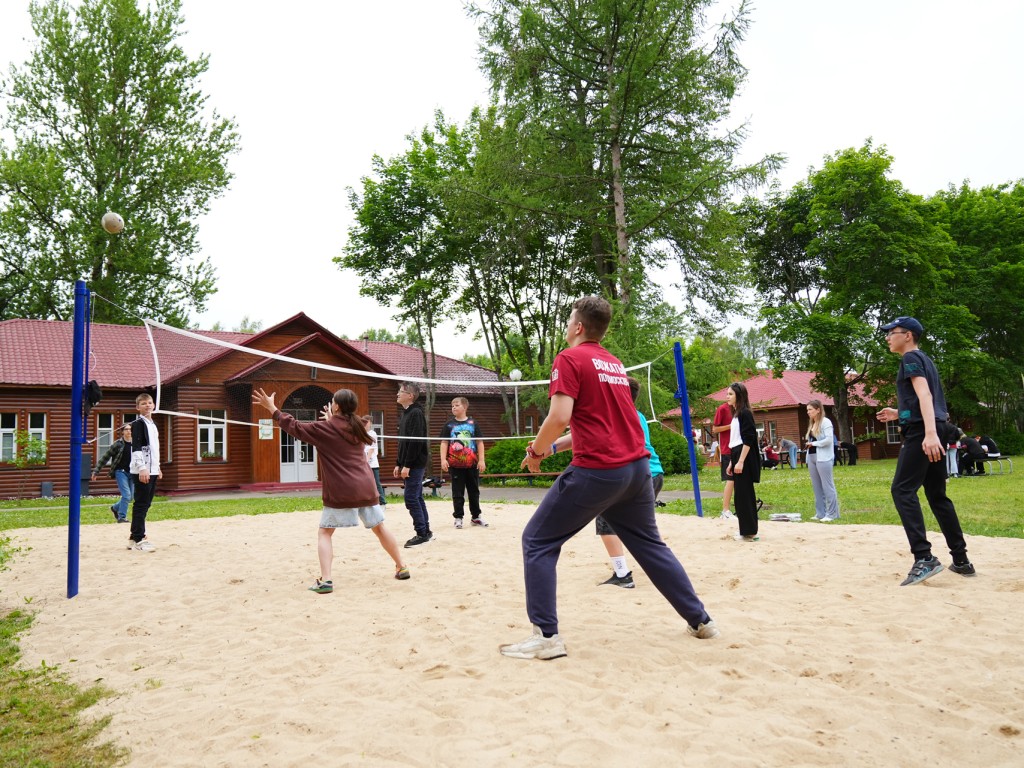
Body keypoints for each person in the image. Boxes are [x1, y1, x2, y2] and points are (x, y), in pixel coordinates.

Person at [499, 296, 719, 660]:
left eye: (570, 319)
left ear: (578, 327)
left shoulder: (569, 358)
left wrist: (536, 452)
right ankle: (701, 621)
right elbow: (602, 425)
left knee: (537, 541)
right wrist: (552, 449)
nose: (567, 324)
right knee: (650, 546)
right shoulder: (613, 363)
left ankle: (546, 638)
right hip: (636, 470)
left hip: (600, 471)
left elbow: (558, 417)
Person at [253, 387, 410, 590]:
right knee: (379, 528)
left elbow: (294, 426)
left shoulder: (325, 429)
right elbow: (340, 429)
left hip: (341, 489)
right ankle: (402, 566)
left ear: (335, 406)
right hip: (365, 485)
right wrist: (331, 420)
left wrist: (272, 408)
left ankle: (326, 580)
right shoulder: (360, 426)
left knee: (325, 533)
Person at [876, 316, 975, 585]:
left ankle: (924, 557)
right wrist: (899, 413)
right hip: (935, 426)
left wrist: (929, 434)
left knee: (902, 490)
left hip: (924, 432)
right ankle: (961, 559)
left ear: (907, 335)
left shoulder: (909, 359)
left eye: (891, 332)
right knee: (936, 494)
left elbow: (926, 396)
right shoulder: (925, 359)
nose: (887, 337)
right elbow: (925, 399)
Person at [592, 376, 666, 589]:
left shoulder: (615, 415)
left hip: (636, 475)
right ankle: (660, 569)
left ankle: (622, 574)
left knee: (606, 521)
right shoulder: (639, 415)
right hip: (655, 473)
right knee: (642, 528)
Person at [439, 396, 488, 528]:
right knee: (457, 492)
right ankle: (458, 517)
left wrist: (482, 460)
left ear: (465, 407)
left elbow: (479, 442)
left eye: (456, 405)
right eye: (452, 405)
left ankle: (476, 517)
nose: (453, 407)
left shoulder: (473, 424)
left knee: (474, 491)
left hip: (472, 464)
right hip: (455, 465)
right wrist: (443, 459)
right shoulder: (449, 425)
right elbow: (444, 443)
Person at [394, 381, 433, 547]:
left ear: (410, 396)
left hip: (415, 464)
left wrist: (407, 465)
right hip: (408, 463)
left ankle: (421, 533)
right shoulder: (406, 413)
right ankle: (426, 531)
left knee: (411, 498)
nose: (397, 394)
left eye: (401, 392)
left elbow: (415, 443)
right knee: (416, 496)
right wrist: (398, 463)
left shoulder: (416, 413)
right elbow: (403, 443)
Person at [725, 382, 761, 541]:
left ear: (739, 395)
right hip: (737, 453)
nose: (727, 397)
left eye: (731, 394)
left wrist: (740, 461)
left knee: (745, 495)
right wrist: (732, 462)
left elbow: (748, 439)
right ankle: (745, 530)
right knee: (740, 496)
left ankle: (750, 532)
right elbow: (735, 440)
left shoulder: (745, 413)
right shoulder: (736, 414)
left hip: (743, 455)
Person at [128, 393, 161, 552]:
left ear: (154, 405)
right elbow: (137, 448)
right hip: (142, 470)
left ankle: (134, 537)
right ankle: (139, 538)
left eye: (149, 402)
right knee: (141, 503)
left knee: (146, 503)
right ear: (138, 407)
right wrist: (142, 468)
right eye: (143, 403)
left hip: (152, 469)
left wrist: (157, 467)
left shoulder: (152, 424)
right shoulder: (139, 424)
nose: (147, 405)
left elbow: (154, 449)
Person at [805, 399, 840, 522]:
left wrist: (814, 443)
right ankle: (820, 513)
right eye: (807, 410)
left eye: (810, 410)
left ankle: (832, 514)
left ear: (818, 410)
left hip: (824, 458)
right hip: (812, 457)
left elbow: (829, 440)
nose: (808, 412)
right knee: (817, 487)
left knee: (827, 486)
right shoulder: (812, 423)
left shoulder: (826, 422)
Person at [92, 423, 133, 523]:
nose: (129, 431)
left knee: (131, 497)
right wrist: (96, 471)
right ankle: (122, 517)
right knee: (126, 495)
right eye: (126, 429)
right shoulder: (117, 444)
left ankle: (115, 508)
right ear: (122, 431)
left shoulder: (136, 444)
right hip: (120, 472)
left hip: (133, 472)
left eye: (130, 429)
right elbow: (105, 458)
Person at [712, 395, 735, 518]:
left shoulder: (741, 409)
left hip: (739, 448)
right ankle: (725, 510)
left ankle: (741, 508)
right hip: (727, 449)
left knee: (740, 481)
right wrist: (731, 426)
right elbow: (715, 429)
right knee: (730, 479)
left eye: (731, 394)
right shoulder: (722, 409)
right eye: (727, 394)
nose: (728, 396)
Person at [360, 415, 386, 505]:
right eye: (363, 422)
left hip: (372, 463)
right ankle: (366, 500)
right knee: (363, 482)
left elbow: (372, 448)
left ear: (370, 423)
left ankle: (382, 501)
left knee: (376, 482)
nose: (365, 424)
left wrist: (366, 460)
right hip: (362, 462)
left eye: (366, 422)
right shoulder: (360, 433)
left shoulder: (372, 433)